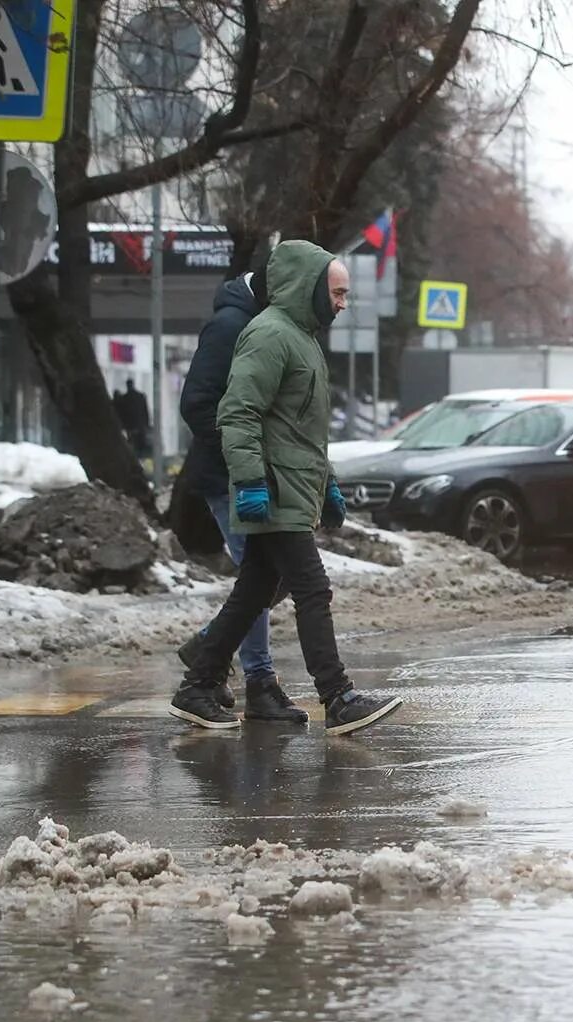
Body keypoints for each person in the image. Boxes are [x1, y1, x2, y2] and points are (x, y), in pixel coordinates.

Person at [168, 240, 402, 736]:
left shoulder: (302, 338)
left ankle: (198, 681)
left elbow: (304, 432)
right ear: (309, 288)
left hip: (292, 487)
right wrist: (251, 481)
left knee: (255, 591)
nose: (343, 303)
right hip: (271, 489)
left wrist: (328, 486)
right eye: (337, 293)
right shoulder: (269, 335)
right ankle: (337, 698)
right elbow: (237, 413)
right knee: (311, 589)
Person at [173, 266, 303, 723]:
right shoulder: (230, 325)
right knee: (264, 577)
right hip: (230, 477)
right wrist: (242, 455)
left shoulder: (263, 322)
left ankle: (213, 650)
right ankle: (255, 681)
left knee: (269, 576)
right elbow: (196, 401)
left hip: (257, 475)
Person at [118, 377, 152, 459]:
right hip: (139, 426)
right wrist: (147, 424)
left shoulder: (124, 398)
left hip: (131, 427)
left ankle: (136, 458)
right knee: (140, 445)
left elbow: (122, 414)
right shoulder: (140, 396)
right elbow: (145, 411)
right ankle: (140, 458)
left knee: (133, 445)